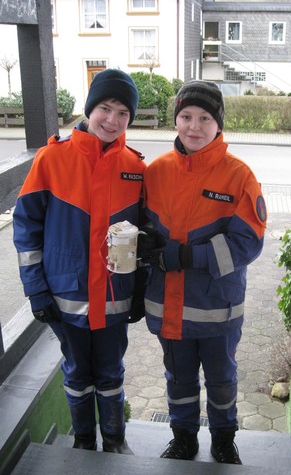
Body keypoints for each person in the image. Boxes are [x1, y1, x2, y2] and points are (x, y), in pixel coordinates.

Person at [13, 69, 147, 453]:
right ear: (90, 109)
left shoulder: (137, 167)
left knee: (111, 372)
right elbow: (25, 229)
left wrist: (139, 289)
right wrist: (36, 291)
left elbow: (145, 236)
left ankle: (116, 441)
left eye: (123, 113)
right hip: (65, 298)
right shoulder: (51, 158)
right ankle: (84, 441)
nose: (113, 120)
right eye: (105, 108)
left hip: (114, 298)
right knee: (77, 372)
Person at [138, 81, 267, 464]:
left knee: (222, 379)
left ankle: (224, 440)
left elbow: (248, 243)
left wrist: (189, 258)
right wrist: (144, 240)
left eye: (205, 118)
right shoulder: (155, 171)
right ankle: (184, 439)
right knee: (178, 380)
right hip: (168, 309)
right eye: (186, 116)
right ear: (175, 120)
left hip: (217, 312)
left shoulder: (239, 176)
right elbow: (145, 224)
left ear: (218, 123)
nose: (194, 126)